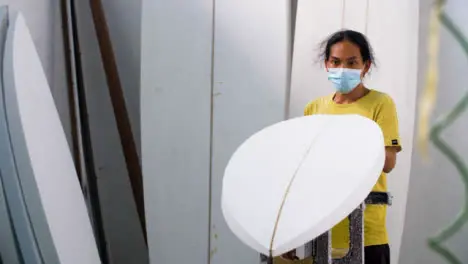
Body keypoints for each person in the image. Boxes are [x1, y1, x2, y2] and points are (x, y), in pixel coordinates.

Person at [279, 30, 401, 264]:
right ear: (327, 64)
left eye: (352, 62)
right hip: (320, 231)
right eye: (336, 61)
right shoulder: (314, 108)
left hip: (365, 234)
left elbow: (388, 162)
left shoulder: (379, 104)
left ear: (366, 66)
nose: (342, 68)